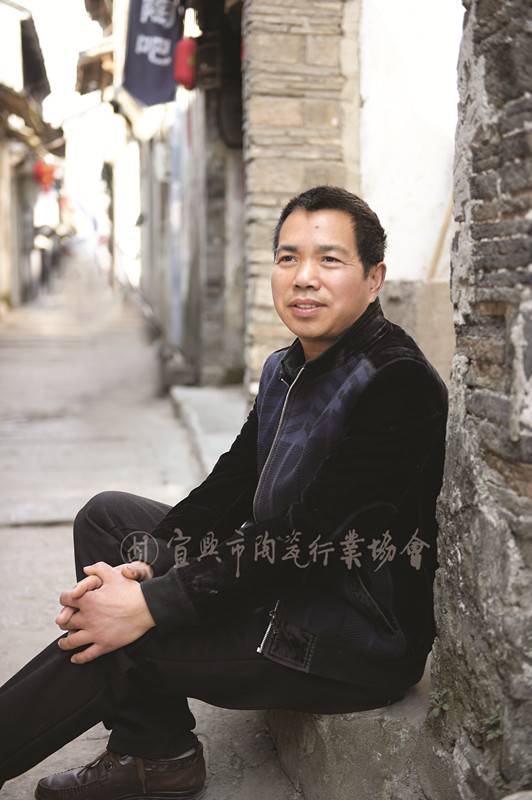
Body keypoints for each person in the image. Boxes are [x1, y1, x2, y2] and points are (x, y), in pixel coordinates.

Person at [0, 186, 448, 800]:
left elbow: (304, 541)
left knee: (120, 637)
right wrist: (145, 567)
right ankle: (158, 749)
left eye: (330, 259)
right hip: (279, 584)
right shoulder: (286, 368)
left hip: (352, 633)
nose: (304, 277)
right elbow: (229, 490)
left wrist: (152, 605)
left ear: (374, 279)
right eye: (288, 258)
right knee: (109, 520)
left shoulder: (398, 382)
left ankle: (152, 756)